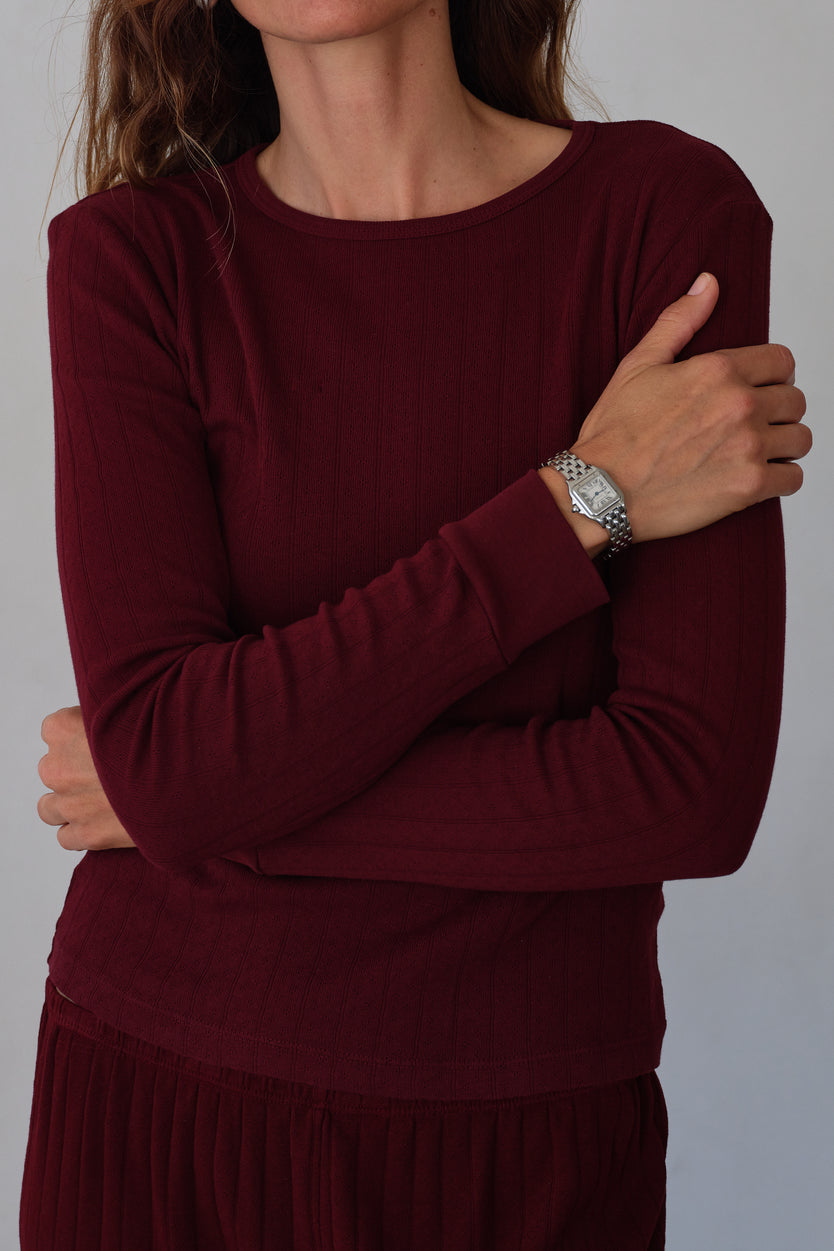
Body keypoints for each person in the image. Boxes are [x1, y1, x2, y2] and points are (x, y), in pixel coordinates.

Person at [23, 0, 811, 1247]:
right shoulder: (134, 258)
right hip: (163, 1110)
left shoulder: (665, 215)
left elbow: (686, 788)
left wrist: (212, 798)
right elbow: (170, 767)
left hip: (528, 1146)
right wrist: (580, 503)